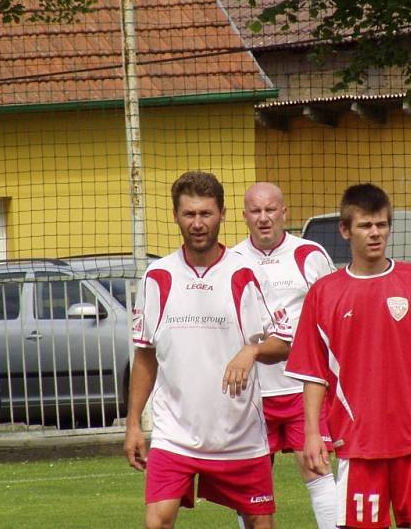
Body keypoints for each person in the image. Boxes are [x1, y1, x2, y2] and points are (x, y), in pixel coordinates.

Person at [285, 183, 411, 529]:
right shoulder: (324, 294)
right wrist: (312, 433)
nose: (375, 234)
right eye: (365, 225)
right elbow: (313, 373)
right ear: (345, 230)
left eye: (381, 225)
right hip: (358, 443)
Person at [123, 171, 292, 529]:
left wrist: (252, 352)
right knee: (158, 521)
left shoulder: (246, 273)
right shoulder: (158, 276)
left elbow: (286, 342)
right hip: (176, 434)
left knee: (261, 523)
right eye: (189, 214)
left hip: (240, 434)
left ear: (222, 214)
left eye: (206, 214)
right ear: (175, 216)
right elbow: (145, 355)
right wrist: (134, 423)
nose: (197, 223)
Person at [232, 182, 337, 529]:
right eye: (256, 211)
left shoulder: (311, 255)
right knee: (251, 489)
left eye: (271, 210)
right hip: (251, 395)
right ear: (245, 216)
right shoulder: (231, 261)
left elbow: (333, 320)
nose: (264, 218)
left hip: (302, 390)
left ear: (284, 212)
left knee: (317, 468)